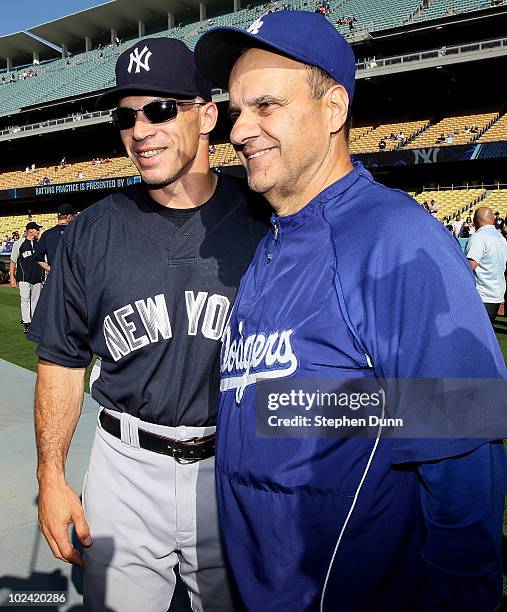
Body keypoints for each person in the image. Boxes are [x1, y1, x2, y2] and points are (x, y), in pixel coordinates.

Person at [195, 11, 507, 611]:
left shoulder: (394, 239)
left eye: (266, 105)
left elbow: (462, 453)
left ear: (334, 109)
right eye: (236, 111)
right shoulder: (274, 241)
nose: (240, 130)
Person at [28, 37, 267, 612]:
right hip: (125, 468)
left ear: (207, 116)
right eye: (126, 116)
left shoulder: (264, 220)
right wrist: (53, 478)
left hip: (231, 464)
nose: (140, 130)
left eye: (160, 109)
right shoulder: (92, 231)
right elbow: (61, 360)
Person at [466, 207, 507, 324]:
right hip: (496, 292)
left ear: (475, 220)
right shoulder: (501, 238)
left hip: (482, 294)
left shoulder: (478, 237)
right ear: (493, 219)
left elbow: (470, 266)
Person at [9, 221, 45, 334]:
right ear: (30, 230)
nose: (39, 231)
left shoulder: (40, 243)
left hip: (38, 277)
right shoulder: (19, 243)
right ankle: (26, 322)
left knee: (36, 301)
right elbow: (13, 261)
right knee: (25, 299)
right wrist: (11, 277)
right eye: (37, 229)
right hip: (23, 277)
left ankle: (34, 323)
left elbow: (45, 260)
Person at [34, 203, 77, 273]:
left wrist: (51, 269)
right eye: (73, 216)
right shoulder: (78, 232)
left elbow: (38, 257)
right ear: (69, 217)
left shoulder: (47, 234)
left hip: (56, 276)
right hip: (74, 275)